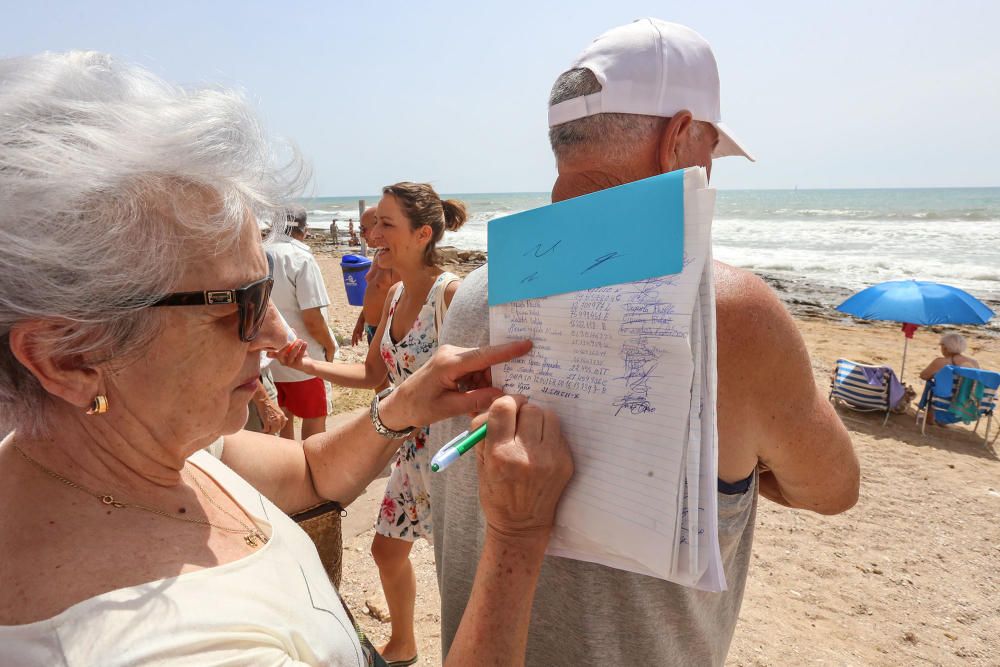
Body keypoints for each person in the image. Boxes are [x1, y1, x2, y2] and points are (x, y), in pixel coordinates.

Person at [0, 51, 573, 666]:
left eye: (266, 291)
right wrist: (515, 538)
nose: (275, 334)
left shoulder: (131, 448)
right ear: (68, 357)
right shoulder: (158, 648)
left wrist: (403, 404)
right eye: (240, 303)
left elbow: (308, 470)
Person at [428, 19, 860, 666]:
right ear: (679, 139)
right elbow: (833, 487)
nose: (710, 171)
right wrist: (744, 461)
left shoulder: (473, 297)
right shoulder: (731, 313)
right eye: (710, 150)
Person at [274, 182, 467, 665]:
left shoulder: (452, 295)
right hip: (405, 447)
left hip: (450, 452)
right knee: (387, 551)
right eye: (372, 222)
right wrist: (311, 365)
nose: (371, 233)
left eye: (385, 224)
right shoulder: (397, 293)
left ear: (423, 234)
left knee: (458, 568)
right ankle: (403, 644)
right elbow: (372, 375)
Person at [268, 207, 338, 441]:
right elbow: (312, 317)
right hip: (304, 356)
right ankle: (311, 473)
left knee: (282, 422)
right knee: (314, 422)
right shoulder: (300, 257)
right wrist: (330, 345)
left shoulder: (257, 252)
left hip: (267, 357)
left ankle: (289, 473)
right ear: (303, 230)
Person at [351, 207, 400, 350]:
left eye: (363, 228)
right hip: (372, 328)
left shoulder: (397, 259)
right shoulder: (380, 254)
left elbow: (406, 300)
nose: (361, 234)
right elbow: (374, 291)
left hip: (387, 332)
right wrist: (361, 321)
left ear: (379, 226)